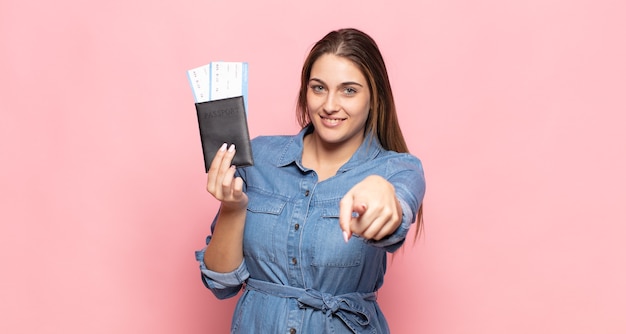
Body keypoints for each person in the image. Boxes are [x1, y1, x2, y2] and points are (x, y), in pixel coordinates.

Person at [195, 28, 426, 333]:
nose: (329, 105)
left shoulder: (398, 169)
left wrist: (382, 194)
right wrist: (233, 207)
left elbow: (395, 218)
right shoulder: (259, 157)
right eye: (319, 88)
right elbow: (221, 283)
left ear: (375, 97)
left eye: (349, 90)